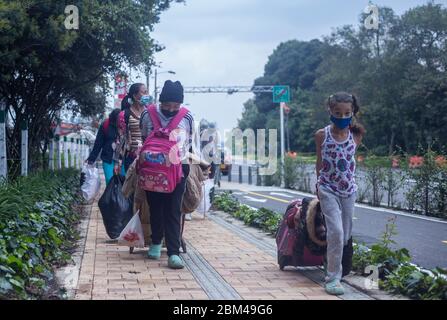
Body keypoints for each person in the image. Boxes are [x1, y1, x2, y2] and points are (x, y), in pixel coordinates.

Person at [315, 92, 366, 296]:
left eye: (347, 113)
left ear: (352, 112)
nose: (342, 116)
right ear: (330, 111)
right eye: (338, 113)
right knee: (335, 232)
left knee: (343, 235)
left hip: (349, 191)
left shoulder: (356, 136)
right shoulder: (321, 135)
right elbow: (319, 161)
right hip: (327, 189)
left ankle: (331, 261)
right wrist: (318, 184)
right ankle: (333, 278)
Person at [140, 80, 194, 269]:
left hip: (177, 169)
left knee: (173, 210)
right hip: (153, 168)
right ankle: (155, 242)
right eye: (167, 105)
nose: (171, 108)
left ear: (180, 104)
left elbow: (188, 143)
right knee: (155, 207)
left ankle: (173, 252)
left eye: (176, 105)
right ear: (161, 101)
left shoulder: (186, 116)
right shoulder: (148, 113)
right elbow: (144, 138)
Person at [115, 83, 152, 175]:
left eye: (147, 92)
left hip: (151, 158)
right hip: (132, 159)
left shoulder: (151, 113)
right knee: (132, 187)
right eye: (144, 92)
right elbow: (121, 140)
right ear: (135, 96)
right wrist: (118, 163)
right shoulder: (123, 115)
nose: (147, 95)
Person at [86, 109, 120, 185]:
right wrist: (91, 159)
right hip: (108, 158)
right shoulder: (105, 125)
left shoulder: (125, 124)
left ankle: (120, 197)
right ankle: (110, 197)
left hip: (121, 159)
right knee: (110, 180)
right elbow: (98, 144)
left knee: (122, 182)